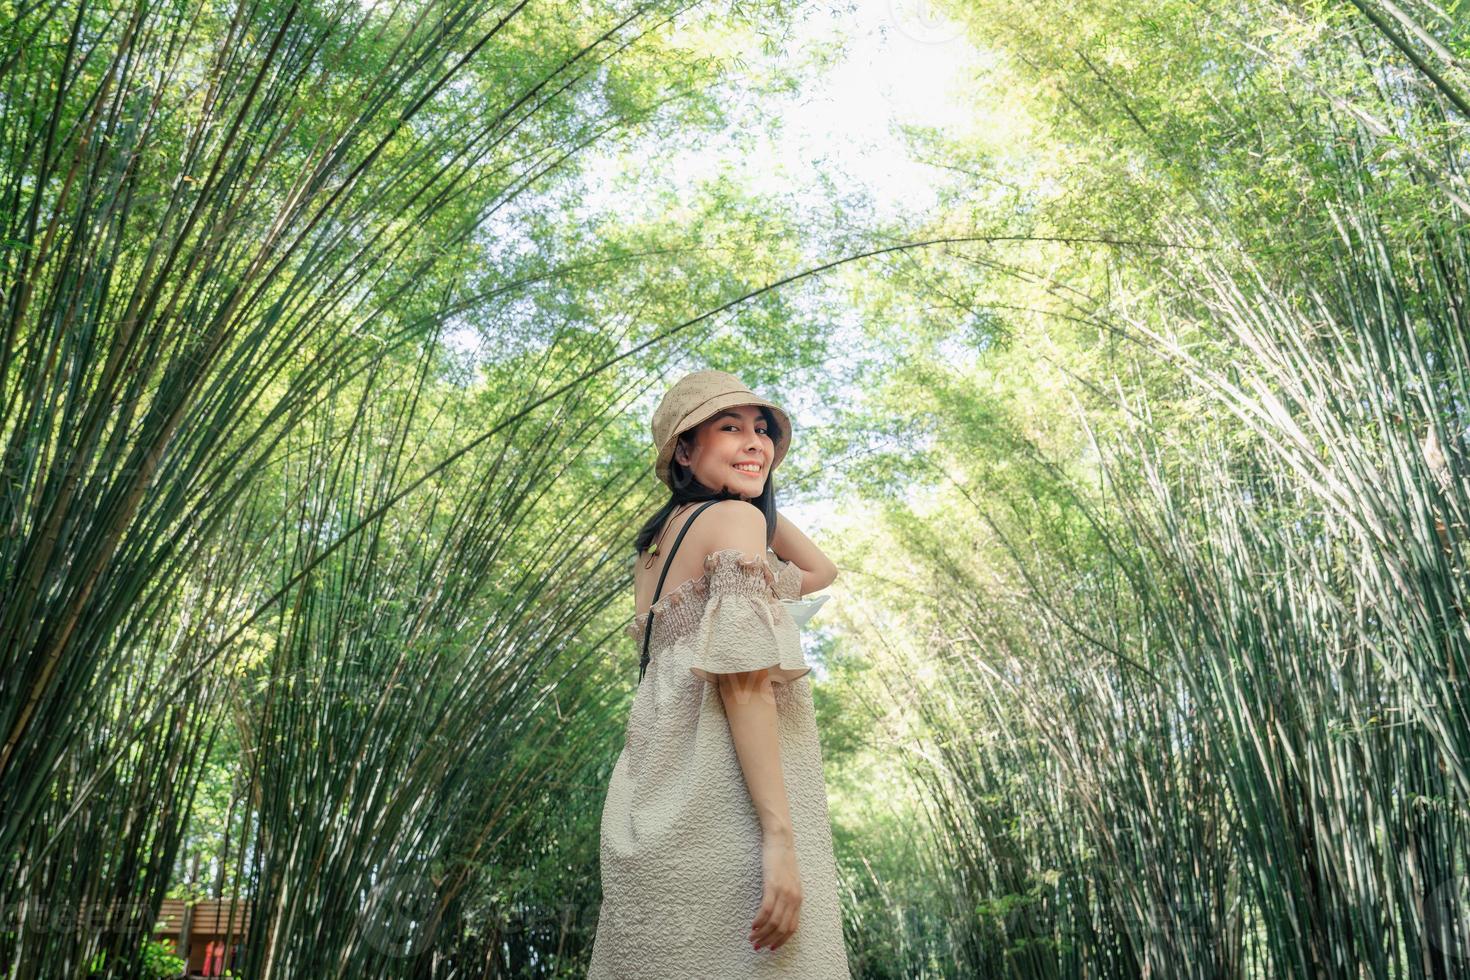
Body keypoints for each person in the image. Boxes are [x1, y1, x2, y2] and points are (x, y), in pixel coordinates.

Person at [587, 370, 852, 978]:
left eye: (762, 432)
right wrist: (779, 841)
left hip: (649, 809)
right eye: (729, 428)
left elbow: (819, 572)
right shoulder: (733, 525)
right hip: (723, 813)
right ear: (684, 449)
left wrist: (751, 492)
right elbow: (744, 685)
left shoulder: (656, 550)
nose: (755, 441)